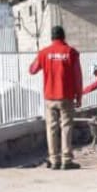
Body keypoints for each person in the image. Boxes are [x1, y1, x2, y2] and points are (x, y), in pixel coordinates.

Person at [29, 25, 83, 171]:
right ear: (63, 37)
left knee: (51, 128)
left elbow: (32, 70)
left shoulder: (44, 52)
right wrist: (79, 95)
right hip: (66, 96)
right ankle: (67, 160)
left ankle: (54, 160)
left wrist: (40, 57)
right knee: (66, 127)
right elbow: (77, 76)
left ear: (52, 38)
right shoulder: (71, 52)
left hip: (49, 97)